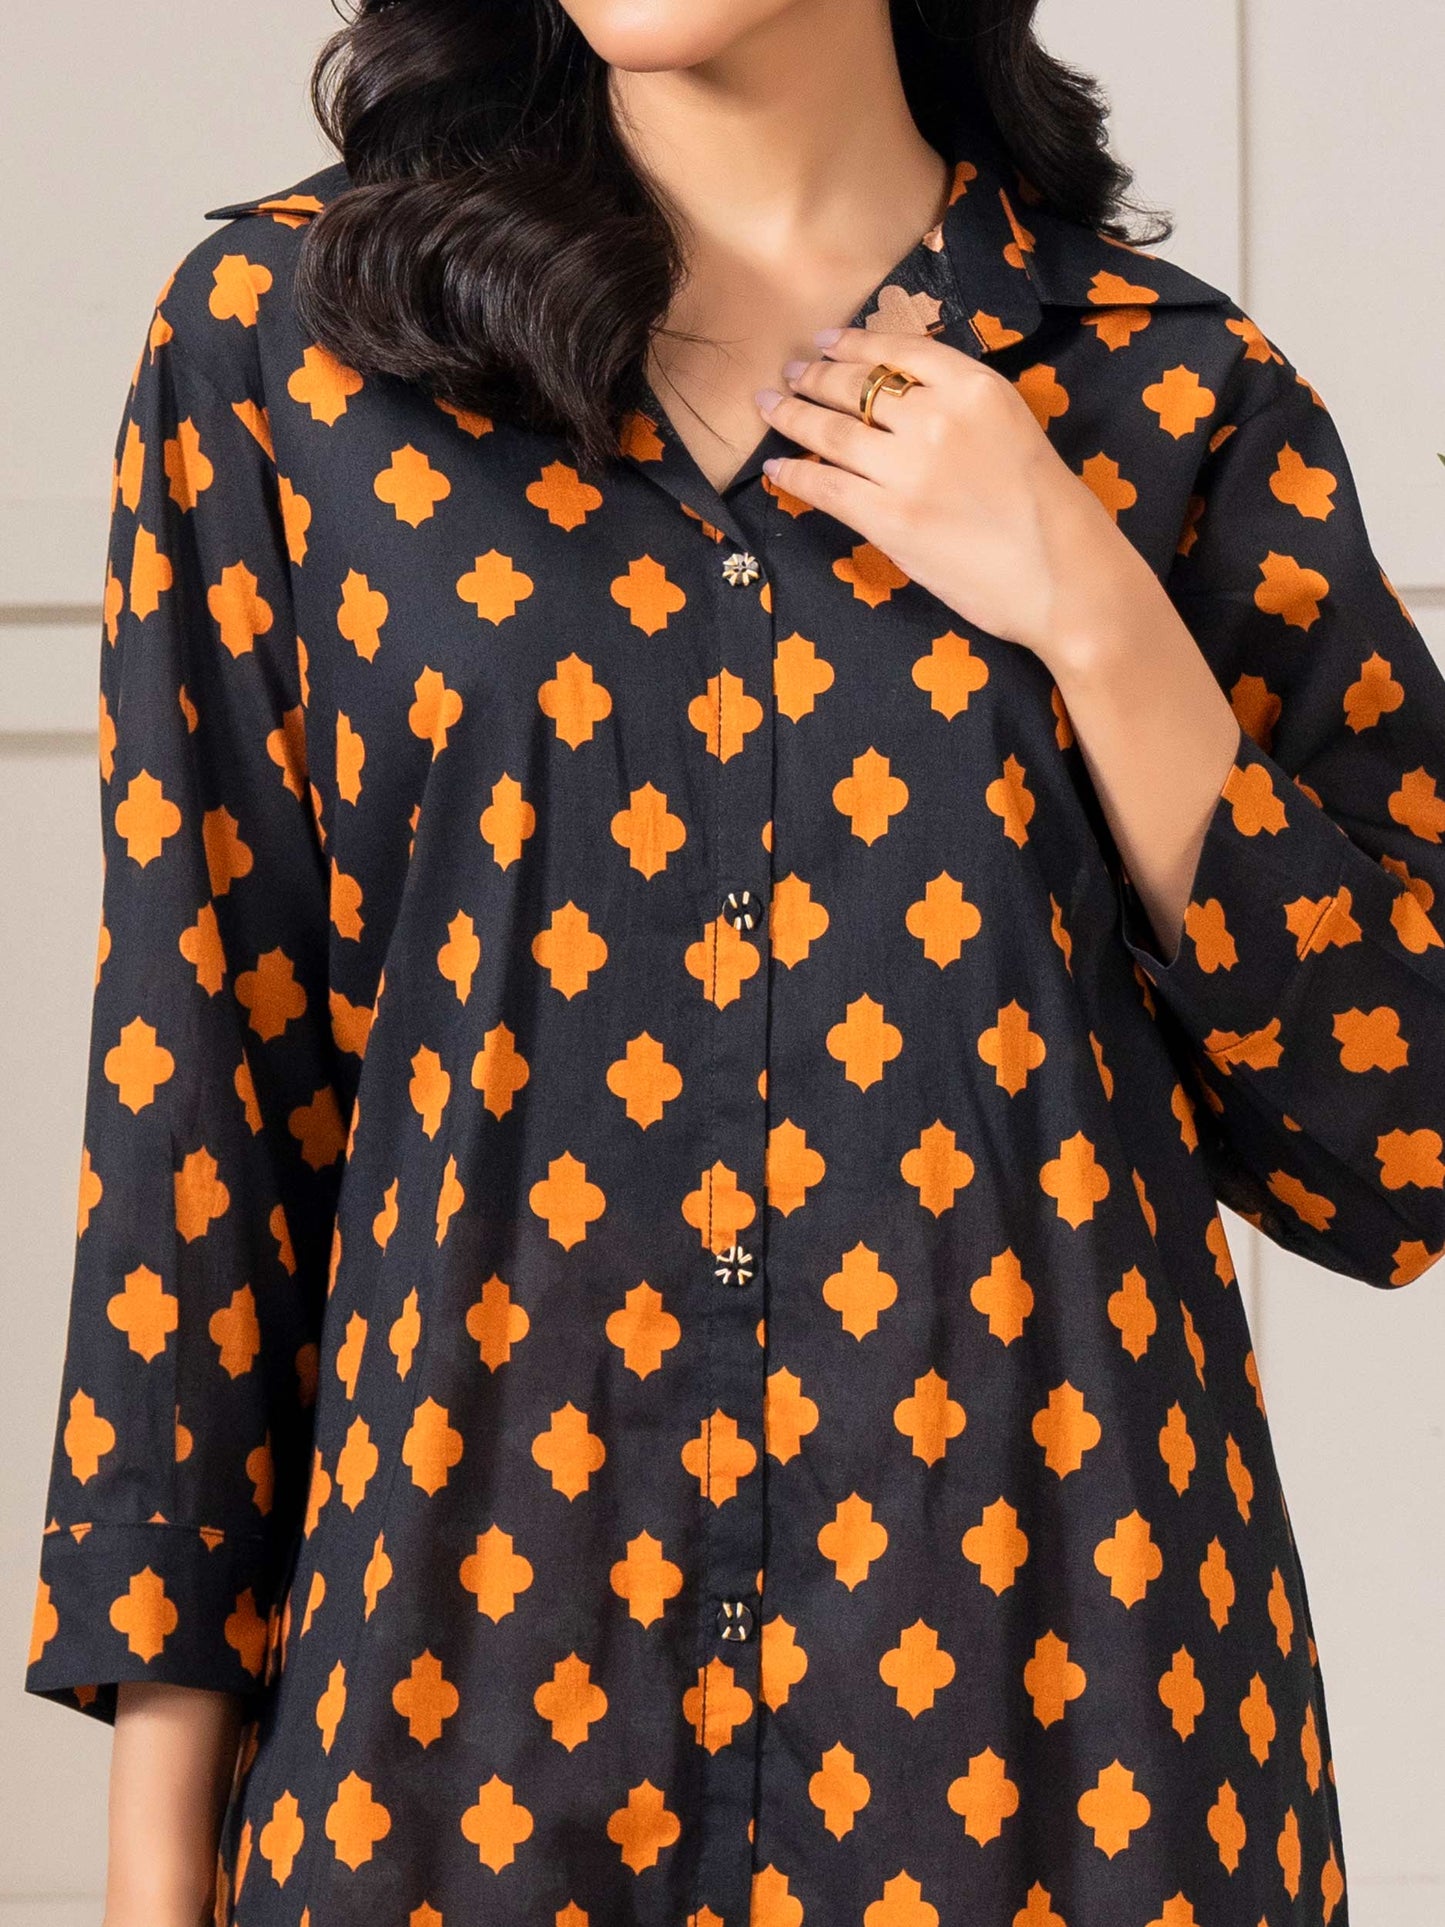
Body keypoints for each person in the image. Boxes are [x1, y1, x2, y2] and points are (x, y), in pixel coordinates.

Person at [24, 0, 1445, 1922]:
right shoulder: (289, 349)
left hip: (1061, 1763)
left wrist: (1093, 612)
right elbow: (198, 1122)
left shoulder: (1166, 395)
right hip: (454, 1758)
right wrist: (152, 1861)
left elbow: (1398, 1141)